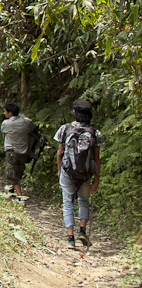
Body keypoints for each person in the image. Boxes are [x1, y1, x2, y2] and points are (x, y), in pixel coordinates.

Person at [54, 99, 103, 249]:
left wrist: (58, 170)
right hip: (86, 174)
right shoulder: (95, 132)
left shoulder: (65, 129)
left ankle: (70, 238)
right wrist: (96, 179)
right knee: (83, 201)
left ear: (74, 113)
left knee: (68, 202)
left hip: (68, 171)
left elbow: (60, 152)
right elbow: (96, 158)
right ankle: (82, 231)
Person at [0, 102, 34, 198]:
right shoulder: (26, 122)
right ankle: (12, 190)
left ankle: (20, 197)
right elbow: (33, 125)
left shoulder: (6, 123)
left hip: (12, 151)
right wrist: (22, 116)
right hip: (23, 152)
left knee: (13, 175)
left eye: (5, 111)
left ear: (10, 113)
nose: (4, 113)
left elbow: (3, 130)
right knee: (18, 173)